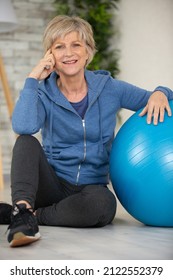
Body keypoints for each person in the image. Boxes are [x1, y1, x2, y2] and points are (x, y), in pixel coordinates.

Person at [0, 15, 173, 247]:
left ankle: (27, 216)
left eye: (76, 45)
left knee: (104, 206)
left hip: (90, 189)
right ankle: (22, 211)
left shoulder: (109, 88)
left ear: (88, 52)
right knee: (26, 142)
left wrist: (161, 91)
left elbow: (152, 99)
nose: (68, 53)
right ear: (50, 56)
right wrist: (33, 79)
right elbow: (23, 126)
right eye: (59, 47)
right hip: (52, 184)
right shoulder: (43, 93)